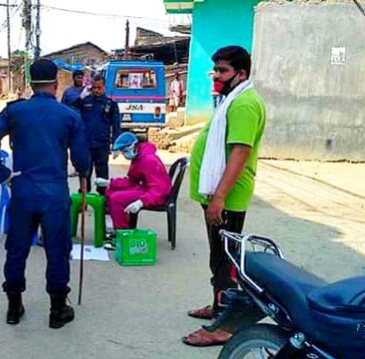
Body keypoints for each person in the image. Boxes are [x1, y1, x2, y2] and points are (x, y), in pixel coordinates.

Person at [0, 59, 90, 329]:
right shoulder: (69, 115)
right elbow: (81, 158)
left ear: (30, 84)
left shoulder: (15, 111)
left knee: (16, 249)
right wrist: (85, 176)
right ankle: (57, 310)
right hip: (55, 194)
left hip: (23, 192)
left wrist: (2, 175)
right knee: (57, 250)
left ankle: (14, 307)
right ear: (55, 84)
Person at [183, 46, 267, 347]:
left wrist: (219, 197)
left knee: (225, 261)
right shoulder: (232, 99)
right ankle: (219, 306)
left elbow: (241, 152)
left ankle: (226, 325)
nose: (216, 76)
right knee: (218, 257)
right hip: (219, 194)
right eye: (215, 70)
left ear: (240, 74)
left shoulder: (244, 104)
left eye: (223, 71)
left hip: (227, 198)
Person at [95, 132, 171, 233]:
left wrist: (141, 202)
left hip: (155, 195)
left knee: (116, 198)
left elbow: (159, 189)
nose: (125, 154)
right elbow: (132, 180)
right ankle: (116, 225)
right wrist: (110, 183)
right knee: (110, 192)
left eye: (125, 151)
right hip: (145, 189)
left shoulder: (149, 160)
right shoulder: (139, 157)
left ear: (134, 146)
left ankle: (123, 232)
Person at [73, 74, 121, 195]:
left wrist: (116, 144)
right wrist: (80, 97)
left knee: (102, 173)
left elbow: (116, 125)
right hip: (87, 143)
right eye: (94, 87)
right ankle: (83, 198)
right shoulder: (85, 101)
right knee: (85, 173)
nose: (96, 90)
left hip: (102, 144)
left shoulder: (111, 104)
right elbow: (71, 107)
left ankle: (103, 199)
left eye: (99, 87)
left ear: (104, 87)